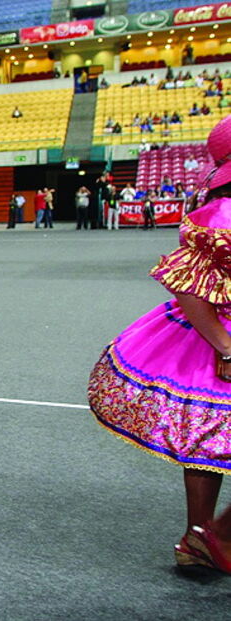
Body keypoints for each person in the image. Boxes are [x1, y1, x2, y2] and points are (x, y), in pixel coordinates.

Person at [87, 113, 231, 573]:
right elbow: (188, 287)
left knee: (215, 439)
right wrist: (225, 346)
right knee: (211, 438)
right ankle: (206, 536)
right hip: (218, 334)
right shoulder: (222, 215)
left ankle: (203, 538)